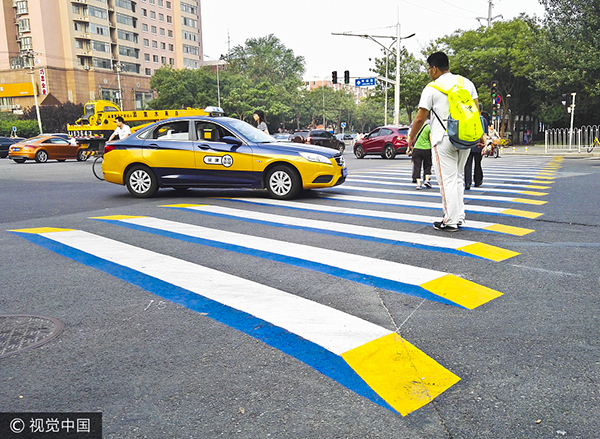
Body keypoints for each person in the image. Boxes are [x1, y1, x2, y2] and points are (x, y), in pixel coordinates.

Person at [408, 51, 480, 232]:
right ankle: (459, 217)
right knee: (458, 178)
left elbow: (419, 119)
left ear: (434, 68)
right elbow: (476, 111)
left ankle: (449, 221)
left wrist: (411, 137)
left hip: (443, 139)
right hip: (465, 137)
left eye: (429, 69)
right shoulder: (467, 83)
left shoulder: (432, 88)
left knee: (446, 180)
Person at [464, 105, 489, 190]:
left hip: (469, 144)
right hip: (479, 144)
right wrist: (485, 144)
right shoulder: (483, 120)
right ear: (481, 111)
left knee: (468, 163)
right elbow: (484, 134)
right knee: (478, 163)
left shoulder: (468, 118)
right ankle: (478, 181)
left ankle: (467, 182)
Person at [408, 122, 432, 190]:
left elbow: (411, 138)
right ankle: (426, 180)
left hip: (417, 149)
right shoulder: (428, 127)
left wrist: (409, 148)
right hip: (427, 149)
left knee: (417, 166)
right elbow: (430, 139)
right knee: (427, 165)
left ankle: (418, 184)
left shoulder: (416, 127)